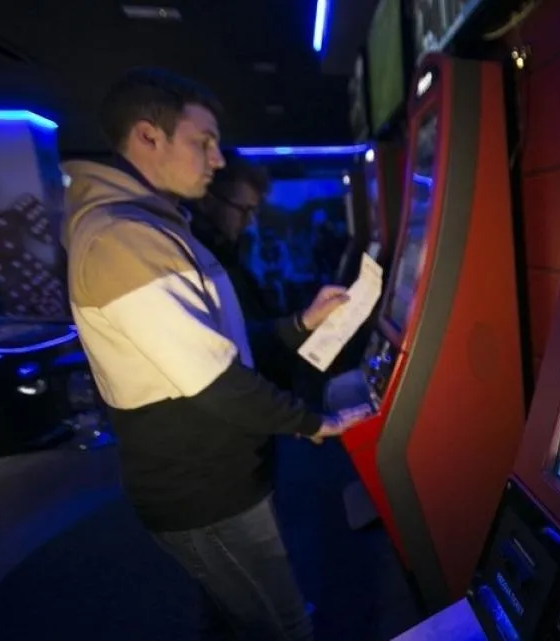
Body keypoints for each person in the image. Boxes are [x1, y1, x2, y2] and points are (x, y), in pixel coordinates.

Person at [62, 67, 366, 641]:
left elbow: (221, 342)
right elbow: (214, 379)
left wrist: (300, 323)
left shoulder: (149, 225)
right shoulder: (122, 237)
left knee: (235, 618)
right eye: (203, 142)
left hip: (212, 478)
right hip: (205, 491)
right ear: (148, 137)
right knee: (283, 627)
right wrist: (313, 422)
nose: (217, 159)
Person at [190, 157, 296, 391]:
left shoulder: (227, 254)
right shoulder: (202, 260)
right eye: (243, 210)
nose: (249, 223)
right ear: (207, 201)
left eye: (253, 212)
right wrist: (298, 325)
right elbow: (235, 343)